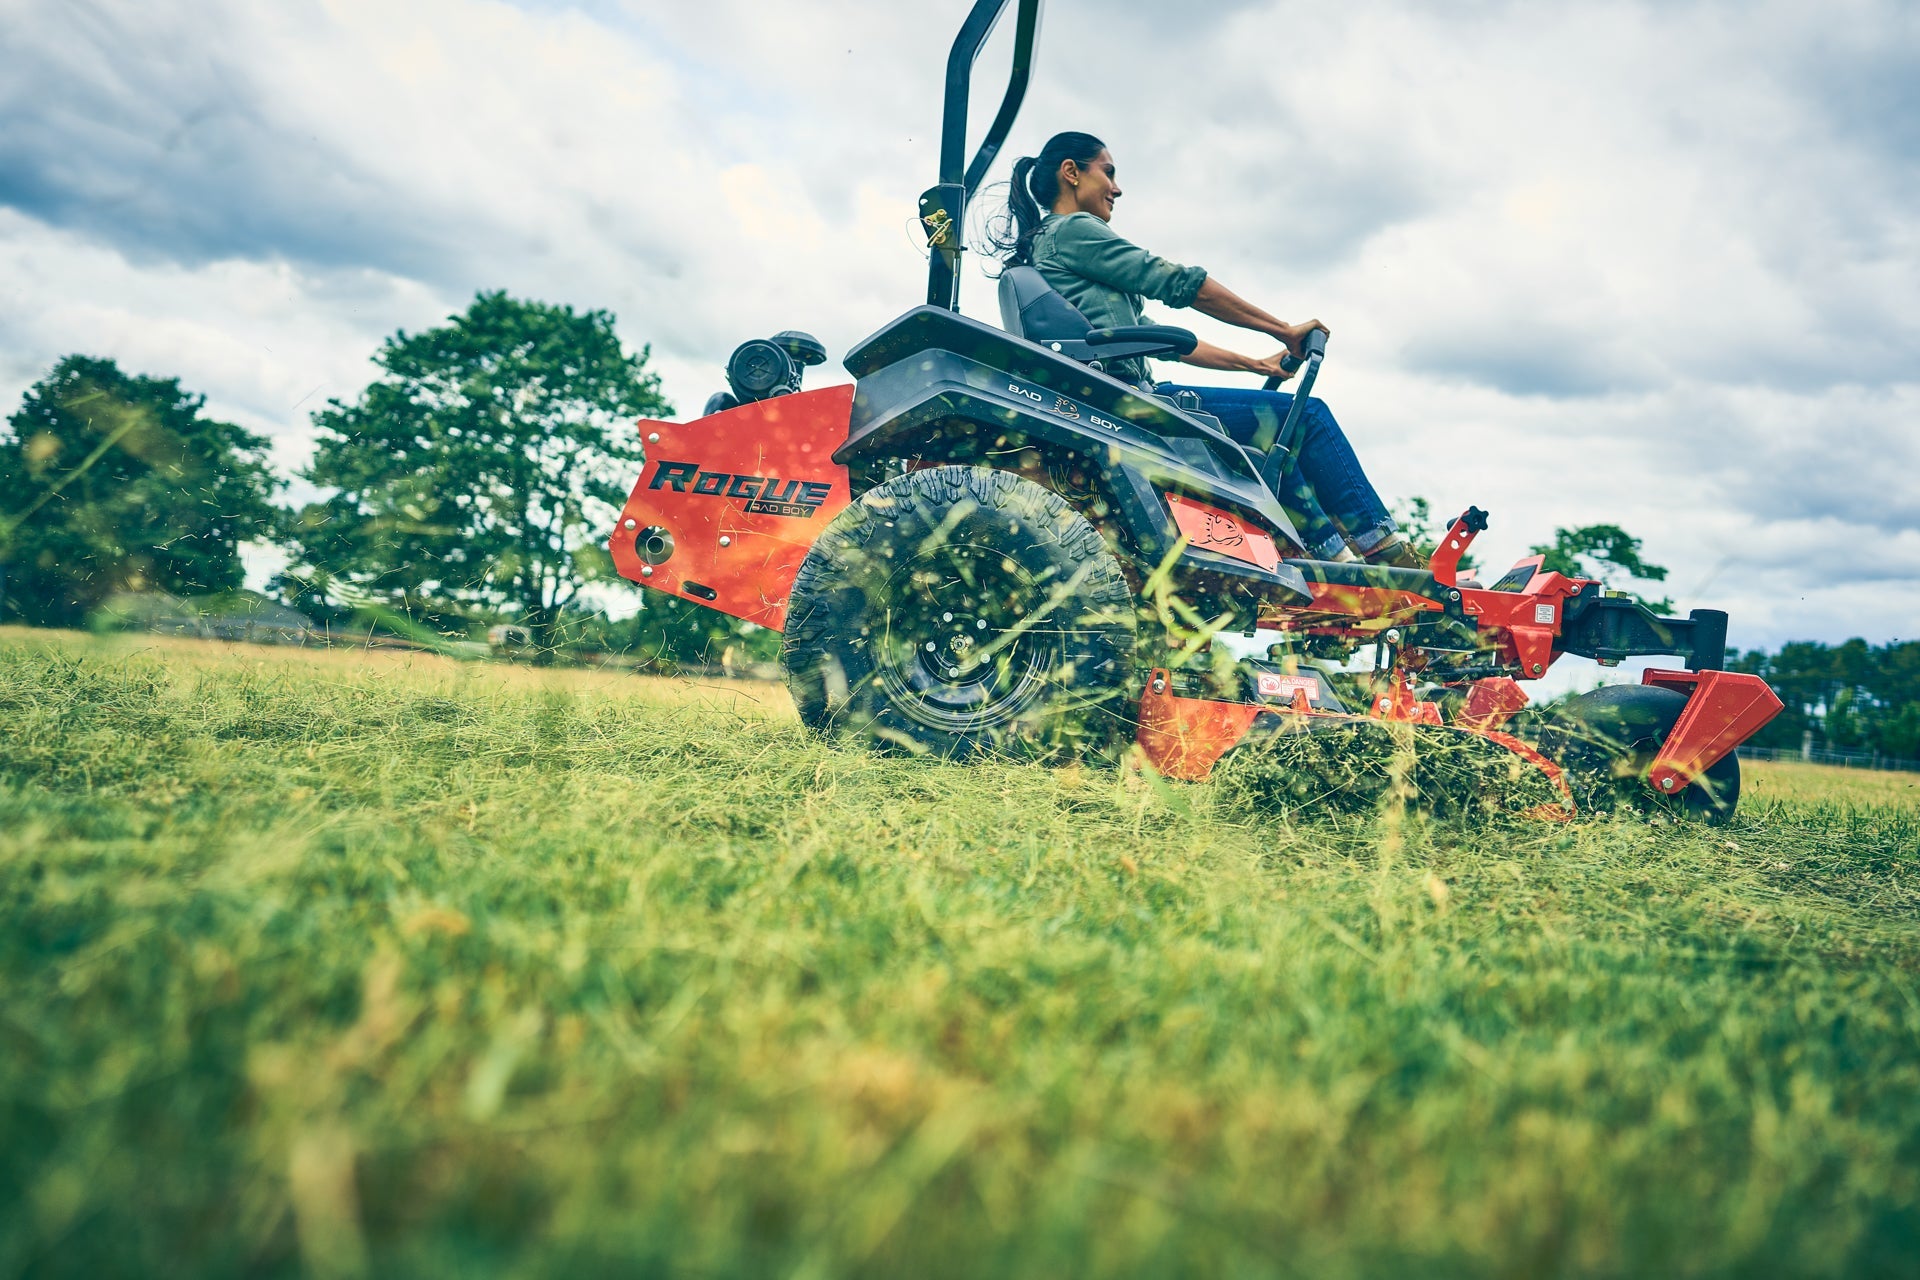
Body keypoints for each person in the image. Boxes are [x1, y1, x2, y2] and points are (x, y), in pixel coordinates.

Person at [984, 131, 1420, 567]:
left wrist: (1254, 364)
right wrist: (1281, 329)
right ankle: (1388, 553)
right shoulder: (1074, 231)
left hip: (1120, 398)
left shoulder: (1049, 244)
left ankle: (1339, 563)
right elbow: (1176, 282)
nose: (1117, 188)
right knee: (1306, 416)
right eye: (1108, 172)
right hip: (1131, 404)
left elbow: (1150, 335)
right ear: (1071, 172)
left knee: (1272, 442)